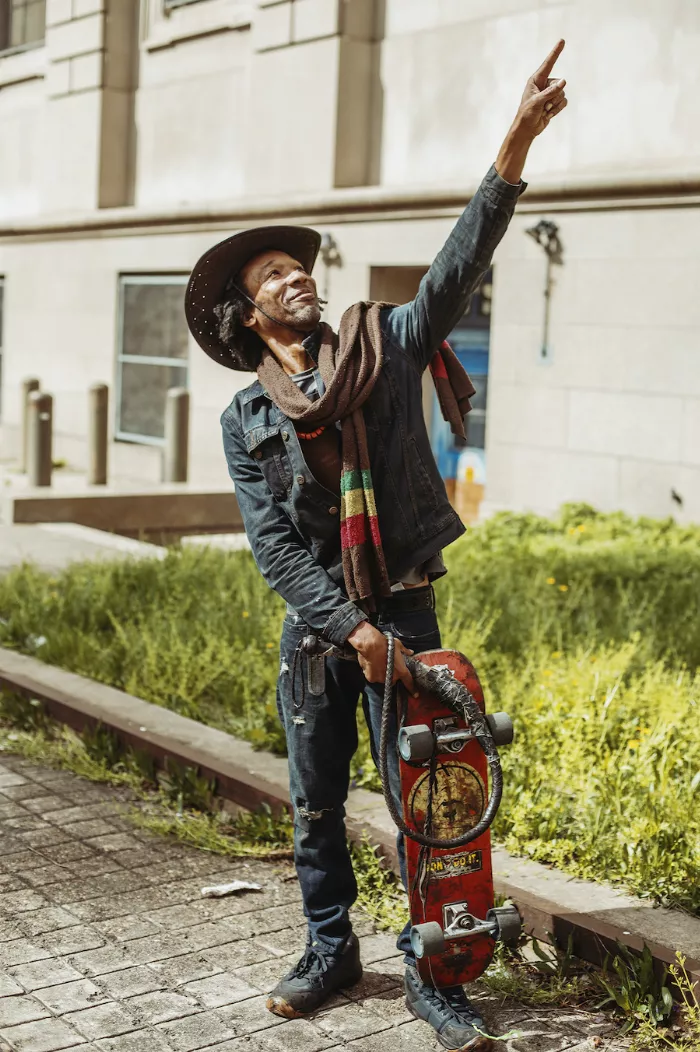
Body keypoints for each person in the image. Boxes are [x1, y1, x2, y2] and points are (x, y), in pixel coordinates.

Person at [185, 40, 567, 1052]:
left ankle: (434, 971)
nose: (294, 276)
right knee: (314, 803)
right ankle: (328, 947)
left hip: (407, 608)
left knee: (428, 801)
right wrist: (347, 628)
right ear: (247, 317)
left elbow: (459, 262)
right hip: (320, 631)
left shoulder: (385, 345)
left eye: (296, 263)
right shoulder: (244, 420)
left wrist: (514, 144)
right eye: (272, 276)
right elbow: (273, 546)